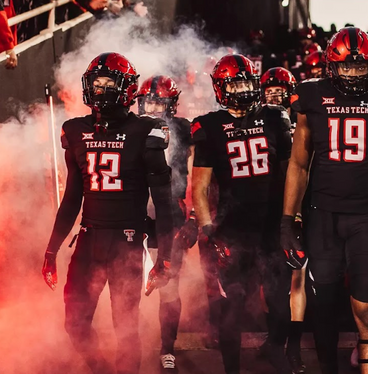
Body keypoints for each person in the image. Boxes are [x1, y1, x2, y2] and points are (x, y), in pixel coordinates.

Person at [281, 27, 368, 374]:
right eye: (346, 66)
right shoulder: (311, 95)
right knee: (323, 307)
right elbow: (299, 163)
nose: (353, 74)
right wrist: (288, 220)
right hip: (323, 217)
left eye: (359, 66)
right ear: (331, 65)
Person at [41, 52, 176, 374]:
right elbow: (72, 198)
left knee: (125, 328)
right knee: (75, 325)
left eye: (108, 82)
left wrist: (165, 258)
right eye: (96, 82)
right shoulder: (75, 130)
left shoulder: (147, 131)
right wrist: (51, 249)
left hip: (126, 243)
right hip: (88, 239)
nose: (100, 88)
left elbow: (164, 202)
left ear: (126, 88)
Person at [191, 54, 293, 374]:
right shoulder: (209, 126)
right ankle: (231, 369)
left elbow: (291, 175)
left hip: (271, 226)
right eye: (233, 85)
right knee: (232, 308)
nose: (241, 90)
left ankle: (276, 349)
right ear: (220, 88)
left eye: (245, 83)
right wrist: (207, 227)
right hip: (232, 230)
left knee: (280, 304)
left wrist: (293, 219)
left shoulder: (275, 117)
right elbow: (199, 186)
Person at [136, 75, 192, 371]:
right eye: (149, 103)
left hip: (170, 214)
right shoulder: (132, 127)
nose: (153, 108)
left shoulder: (183, 128)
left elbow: (198, 172)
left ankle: (167, 347)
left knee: (169, 286)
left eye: (159, 103)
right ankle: (132, 340)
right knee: (128, 284)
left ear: (171, 105)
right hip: (136, 214)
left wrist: (193, 217)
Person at [260, 65, 307, 374]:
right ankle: (275, 339)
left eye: (281, 91)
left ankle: (294, 346)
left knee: (297, 277)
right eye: (270, 92)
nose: (276, 96)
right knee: (270, 281)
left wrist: (300, 210)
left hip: (301, 203)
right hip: (272, 206)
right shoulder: (260, 122)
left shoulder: (303, 118)